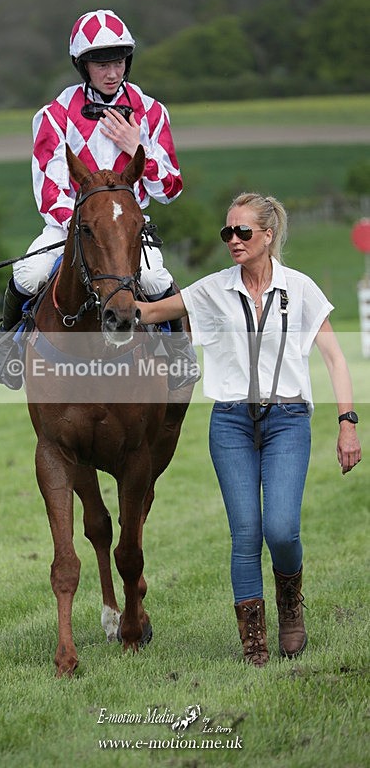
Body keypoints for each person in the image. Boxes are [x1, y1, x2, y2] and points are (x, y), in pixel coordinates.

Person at [137, 191, 362, 667]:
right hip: (230, 423)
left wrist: (347, 423)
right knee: (245, 533)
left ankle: (290, 608)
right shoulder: (213, 289)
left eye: (243, 231)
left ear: (268, 234)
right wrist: (113, 293)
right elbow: (152, 312)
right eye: (228, 232)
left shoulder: (300, 289)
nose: (233, 240)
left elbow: (336, 359)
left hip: (288, 421)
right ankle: (254, 640)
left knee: (281, 530)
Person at [0, 8, 197, 389]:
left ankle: (180, 352)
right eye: (102, 64)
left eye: (118, 62)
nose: (112, 73)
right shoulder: (54, 115)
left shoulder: (152, 112)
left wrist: (137, 147)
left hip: (129, 228)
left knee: (155, 278)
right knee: (29, 273)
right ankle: (8, 346)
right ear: (83, 66)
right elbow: (49, 192)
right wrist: (85, 225)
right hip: (71, 226)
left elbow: (170, 189)